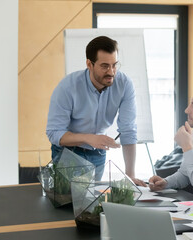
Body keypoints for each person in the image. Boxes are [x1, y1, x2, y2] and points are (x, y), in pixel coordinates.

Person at [46, 36, 145, 186]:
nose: (111, 72)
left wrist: (130, 174)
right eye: (105, 66)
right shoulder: (68, 87)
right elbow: (54, 133)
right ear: (89, 64)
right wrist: (88, 138)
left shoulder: (124, 84)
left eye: (114, 65)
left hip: (97, 153)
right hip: (67, 152)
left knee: (90, 203)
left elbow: (128, 130)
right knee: (67, 204)